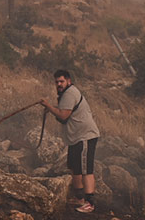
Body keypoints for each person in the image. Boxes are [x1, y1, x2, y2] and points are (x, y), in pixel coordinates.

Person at [40, 69, 100, 213]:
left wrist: (48, 106)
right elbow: (62, 116)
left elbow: (63, 115)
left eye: (61, 81)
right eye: (56, 82)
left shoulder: (70, 93)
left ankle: (89, 203)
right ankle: (79, 198)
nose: (59, 84)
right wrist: (53, 109)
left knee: (86, 170)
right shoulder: (64, 94)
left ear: (68, 81)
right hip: (75, 138)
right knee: (74, 166)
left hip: (85, 136)